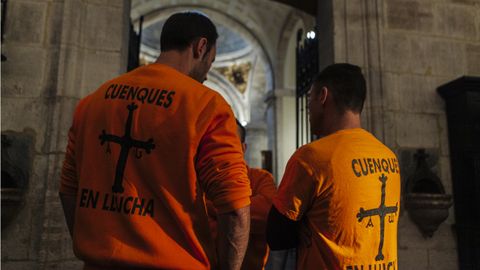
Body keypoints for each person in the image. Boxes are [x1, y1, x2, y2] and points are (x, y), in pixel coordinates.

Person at [59, 11, 251, 270]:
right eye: (211, 61)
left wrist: (95, 247)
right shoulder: (206, 106)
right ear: (200, 47)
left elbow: (69, 191)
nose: (206, 74)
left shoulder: (92, 103)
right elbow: (235, 208)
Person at [266, 63, 401, 269]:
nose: (308, 107)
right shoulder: (389, 157)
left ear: (323, 96)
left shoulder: (311, 157)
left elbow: (276, 235)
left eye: (309, 98)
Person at [206, 120, 276, 270]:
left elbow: (266, 215)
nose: (222, 150)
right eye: (217, 142)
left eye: (230, 143)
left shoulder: (260, 178)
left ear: (243, 148)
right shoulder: (200, 179)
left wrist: (208, 205)